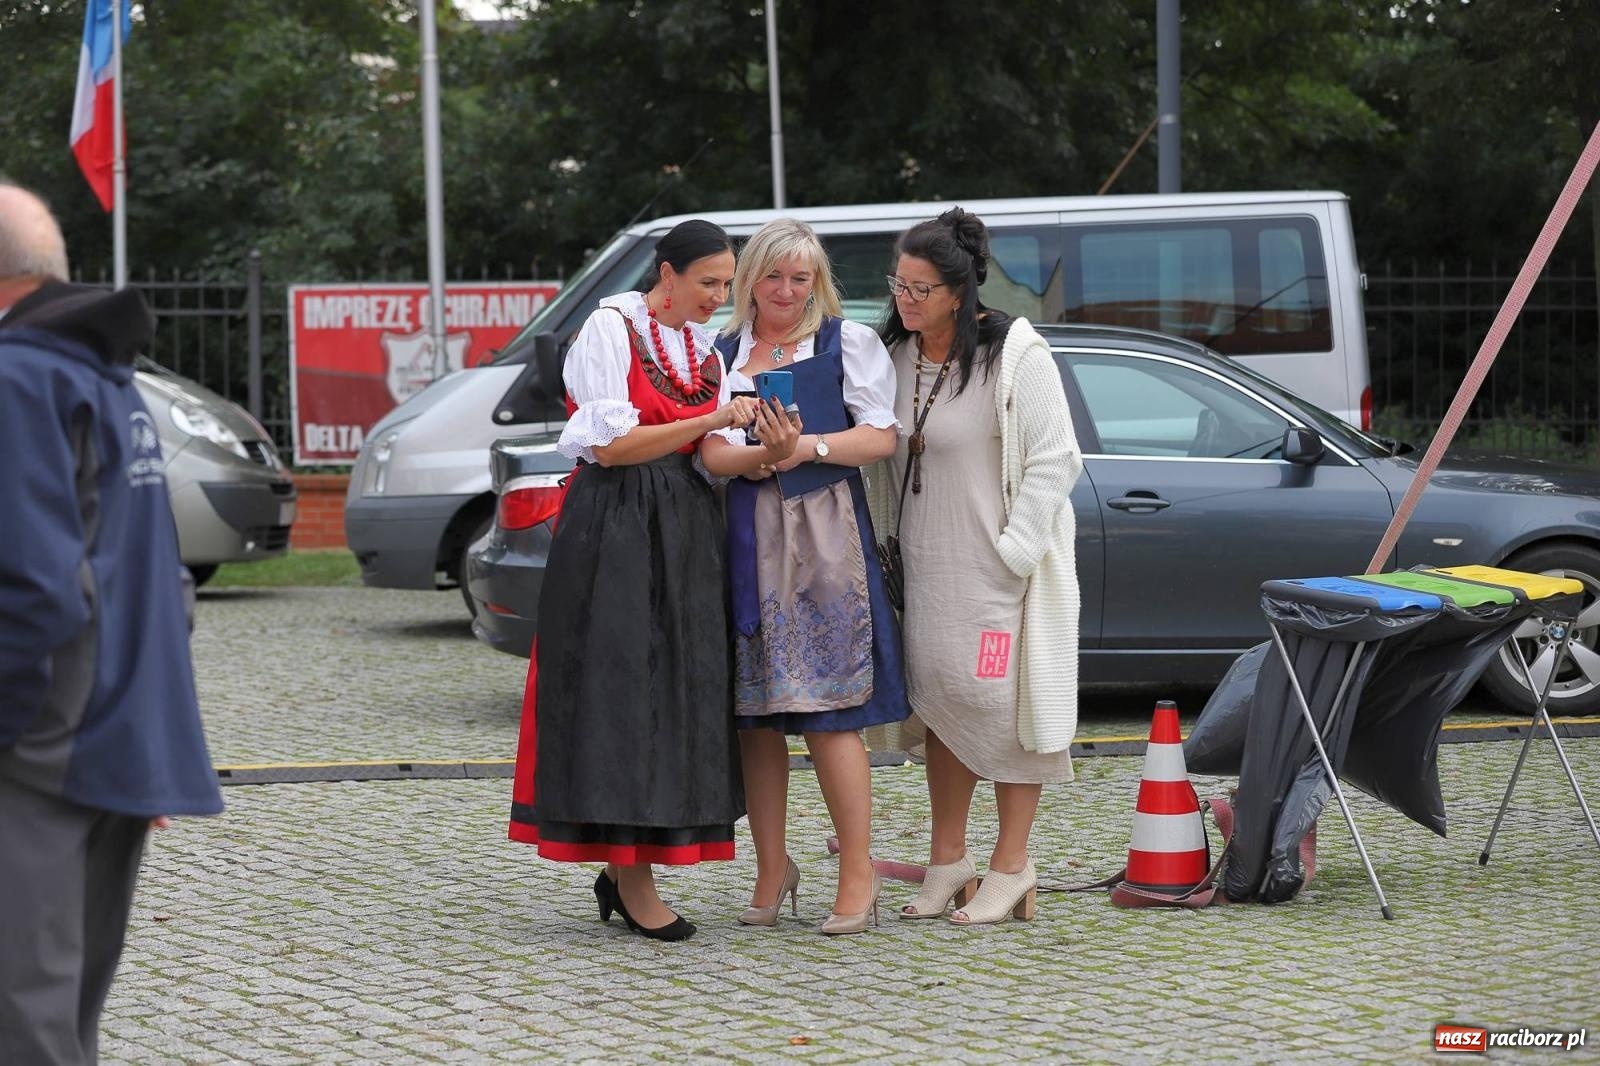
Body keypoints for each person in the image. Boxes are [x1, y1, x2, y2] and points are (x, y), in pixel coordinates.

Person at [507, 220, 796, 942]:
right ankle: (631, 876)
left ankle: (629, 868)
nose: (718, 297)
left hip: (686, 531)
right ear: (665, 275)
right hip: (614, 529)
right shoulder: (609, 330)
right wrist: (709, 417)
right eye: (708, 283)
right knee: (623, 694)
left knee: (677, 691)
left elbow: (713, 453)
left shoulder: (701, 348)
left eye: (727, 284)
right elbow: (612, 445)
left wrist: (769, 452)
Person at [0, 182, 225, 1063]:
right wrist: (139, 734)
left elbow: (29, 587)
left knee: (23, 1022)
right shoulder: (104, 375)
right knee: (61, 1017)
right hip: (108, 740)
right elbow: (157, 575)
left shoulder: (18, 375)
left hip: (36, 750)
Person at [869, 207, 1083, 926]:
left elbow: (1057, 459)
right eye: (898, 283)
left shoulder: (1015, 354)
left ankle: (1012, 866)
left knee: (1005, 711)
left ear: (959, 292)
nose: (905, 298)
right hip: (925, 572)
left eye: (920, 288)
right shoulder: (893, 354)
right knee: (940, 710)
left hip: (996, 572)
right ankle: (949, 860)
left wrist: (1015, 552)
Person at [701, 219, 909, 936]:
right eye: (773, 276)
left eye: (801, 277)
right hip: (741, 538)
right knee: (754, 721)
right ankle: (772, 866)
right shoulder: (718, 349)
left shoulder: (847, 342)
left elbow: (880, 437)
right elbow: (705, 450)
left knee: (828, 715)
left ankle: (859, 872)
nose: (788, 291)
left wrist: (802, 449)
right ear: (749, 279)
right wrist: (757, 458)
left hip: (823, 541)